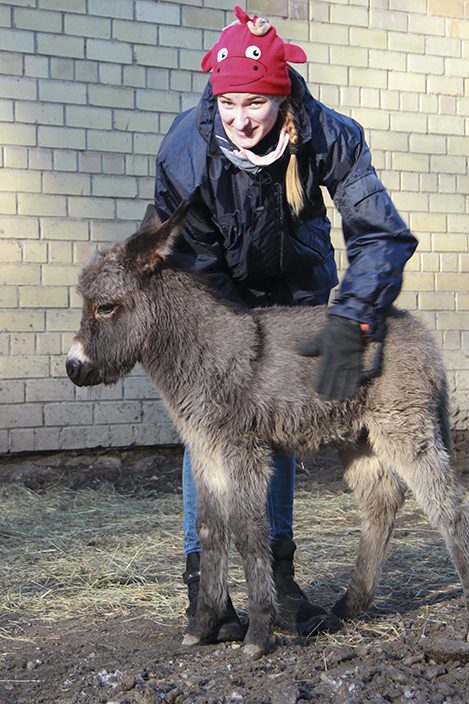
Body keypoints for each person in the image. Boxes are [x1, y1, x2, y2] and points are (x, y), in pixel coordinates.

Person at [154, 5, 417, 640]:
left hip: (300, 293)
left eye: (255, 103)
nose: (240, 120)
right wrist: (234, 342)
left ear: (282, 98)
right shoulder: (185, 150)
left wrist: (353, 319)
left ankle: (276, 573)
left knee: (277, 425)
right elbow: (187, 261)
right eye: (227, 105)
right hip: (219, 298)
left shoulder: (330, 134)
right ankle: (206, 589)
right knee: (215, 427)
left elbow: (380, 235)